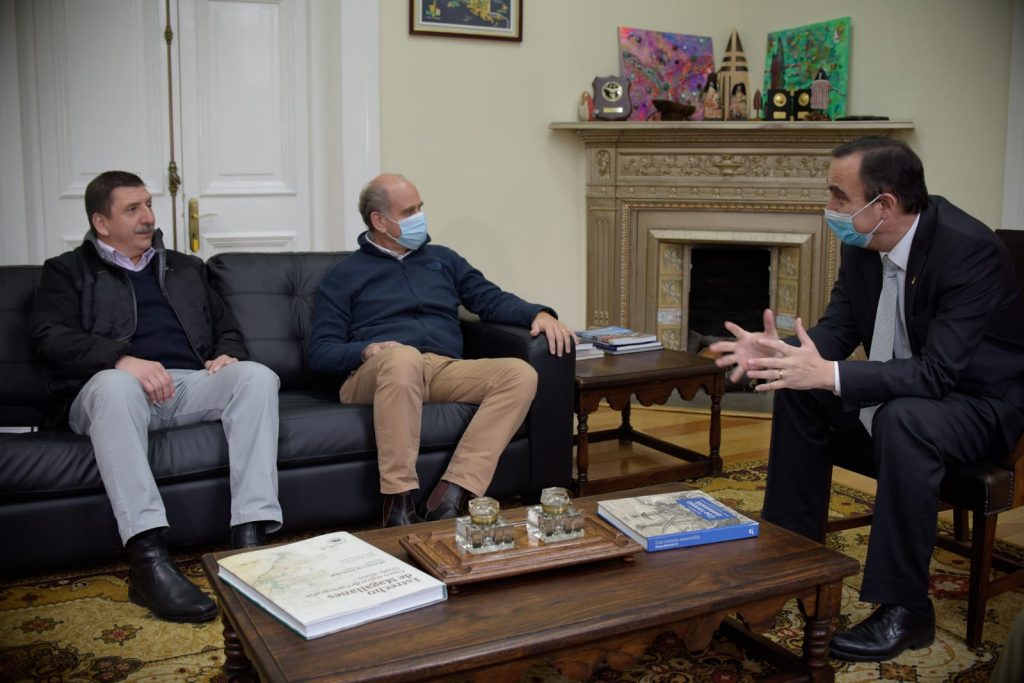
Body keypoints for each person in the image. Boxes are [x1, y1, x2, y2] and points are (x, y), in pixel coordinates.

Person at [709, 136, 1024, 662]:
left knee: (904, 418)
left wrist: (829, 373)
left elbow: (939, 373)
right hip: (912, 390)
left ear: (885, 204)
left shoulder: (969, 250)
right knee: (801, 388)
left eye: (839, 196)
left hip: (980, 403)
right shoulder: (864, 243)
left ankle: (907, 609)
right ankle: (790, 561)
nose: (828, 207)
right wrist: (782, 355)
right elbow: (837, 331)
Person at [31, 171, 283, 623]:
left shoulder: (185, 267)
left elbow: (226, 328)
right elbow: (49, 338)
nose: (148, 217)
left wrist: (227, 354)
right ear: (101, 222)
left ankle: (249, 540)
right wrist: (120, 359)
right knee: (116, 385)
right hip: (107, 392)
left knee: (256, 378)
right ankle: (147, 557)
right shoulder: (66, 271)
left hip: (185, 384)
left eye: (148, 205)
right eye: (133, 209)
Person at [308, 173, 575, 527]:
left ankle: (452, 494)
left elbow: (490, 299)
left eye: (420, 208)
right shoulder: (343, 275)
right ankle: (398, 503)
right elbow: (321, 352)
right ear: (379, 221)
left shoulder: (443, 260)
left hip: (439, 368)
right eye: (409, 212)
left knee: (520, 374)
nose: (419, 217)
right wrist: (367, 350)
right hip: (375, 373)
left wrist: (538, 314)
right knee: (403, 357)